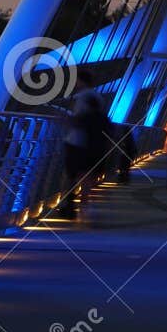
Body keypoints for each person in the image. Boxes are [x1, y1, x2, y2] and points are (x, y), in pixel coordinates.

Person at [62, 69, 108, 222]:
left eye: (76, 81)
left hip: (76, 141)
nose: (75, 84)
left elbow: (77, 119)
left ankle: (69, 207)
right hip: (94, 144)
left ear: (81, 81)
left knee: (70, 175)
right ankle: (84, 205)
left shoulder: (81, 97)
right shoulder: (99, 98)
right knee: (87, 175)